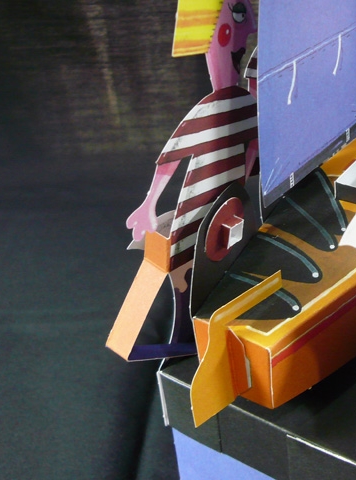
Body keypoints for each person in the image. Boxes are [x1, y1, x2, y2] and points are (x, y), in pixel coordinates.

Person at [125, 0, 258, 359]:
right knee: (181, 269)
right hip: (203, 210)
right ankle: (180, 340)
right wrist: (149, 204)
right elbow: (171, 157)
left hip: (226, 208)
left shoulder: (242, 105)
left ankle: (191, 337)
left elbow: (251, 152)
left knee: (204, 270)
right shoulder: (217, 107)